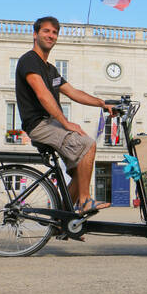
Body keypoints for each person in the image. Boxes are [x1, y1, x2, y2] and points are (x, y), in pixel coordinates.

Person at [16, 16, 115, 214]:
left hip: (51, 123)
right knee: (88, 144)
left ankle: (63, 222)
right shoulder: (29, 60)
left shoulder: (51, 69)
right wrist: (66, 122)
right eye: (46, 31)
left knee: (81, 171)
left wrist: (102, 103)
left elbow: (73, 92)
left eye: (54, 32)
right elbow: (42, 95)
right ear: (35, 34)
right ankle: (85, 201)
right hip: (39, 124)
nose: (51, 35)